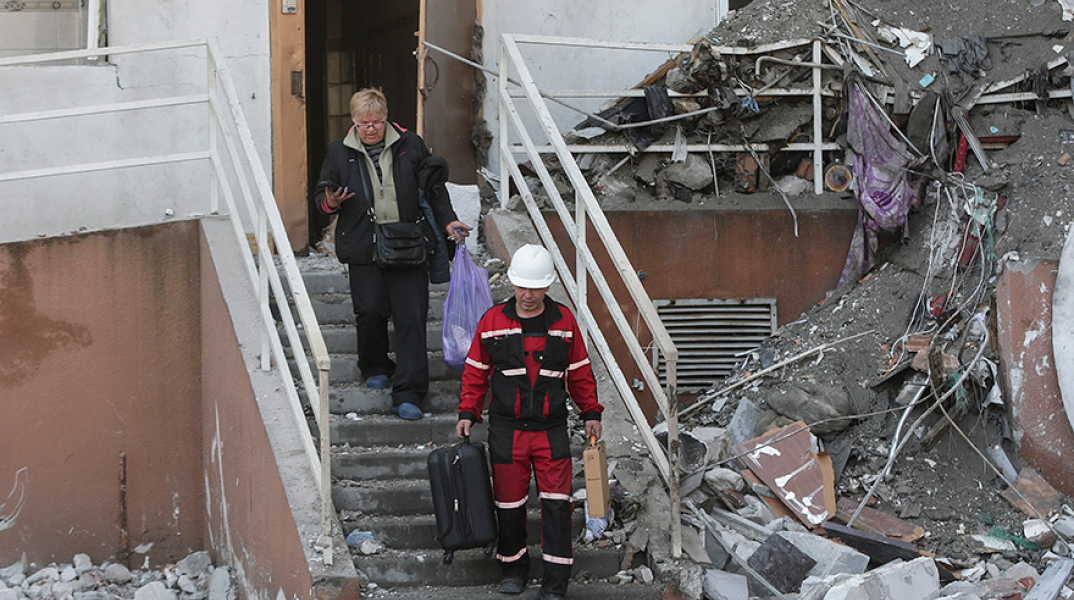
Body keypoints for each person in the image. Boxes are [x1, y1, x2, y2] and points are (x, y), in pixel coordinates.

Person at [456, 244, 603, 600]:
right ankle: (513, 569)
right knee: (509, 505)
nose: (527, 295)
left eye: (535, 287)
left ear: (548, 286)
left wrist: (591, 412)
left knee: (556, 505)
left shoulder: (565, 322)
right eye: (522, 286)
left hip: (551, 430)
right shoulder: (491, 322)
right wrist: (467, 412)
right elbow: (475, 373)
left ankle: (555, 583)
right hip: (506, 430)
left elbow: (580, 373)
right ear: (511, 283)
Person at [315, 88, 470, 420]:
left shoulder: (409, 144)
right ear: (353, 122)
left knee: (411, 316)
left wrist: (448, 221)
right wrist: (332, 201)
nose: (371, 128)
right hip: (362, 243)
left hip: (408, 242)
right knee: (369, 310)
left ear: (386, 118)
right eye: (363, 123)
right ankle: (374, 364)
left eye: (377, 122)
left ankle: (409, 393)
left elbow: (433, 188)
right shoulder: (340, 152)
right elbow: (321, 196)